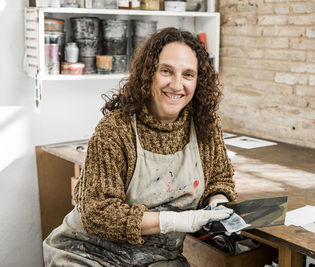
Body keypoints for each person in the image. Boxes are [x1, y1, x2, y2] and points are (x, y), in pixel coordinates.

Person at [43, 27, 237, 266]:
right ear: (149, 73)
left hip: (158, 258)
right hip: (89, 252)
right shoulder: (115, 129)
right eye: (166, 71)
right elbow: (97, 213)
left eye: (188, 74)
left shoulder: (204, 123)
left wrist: (217, 202)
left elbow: (220, 176)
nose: (177, 85)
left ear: (199, 81)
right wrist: (175, 222)